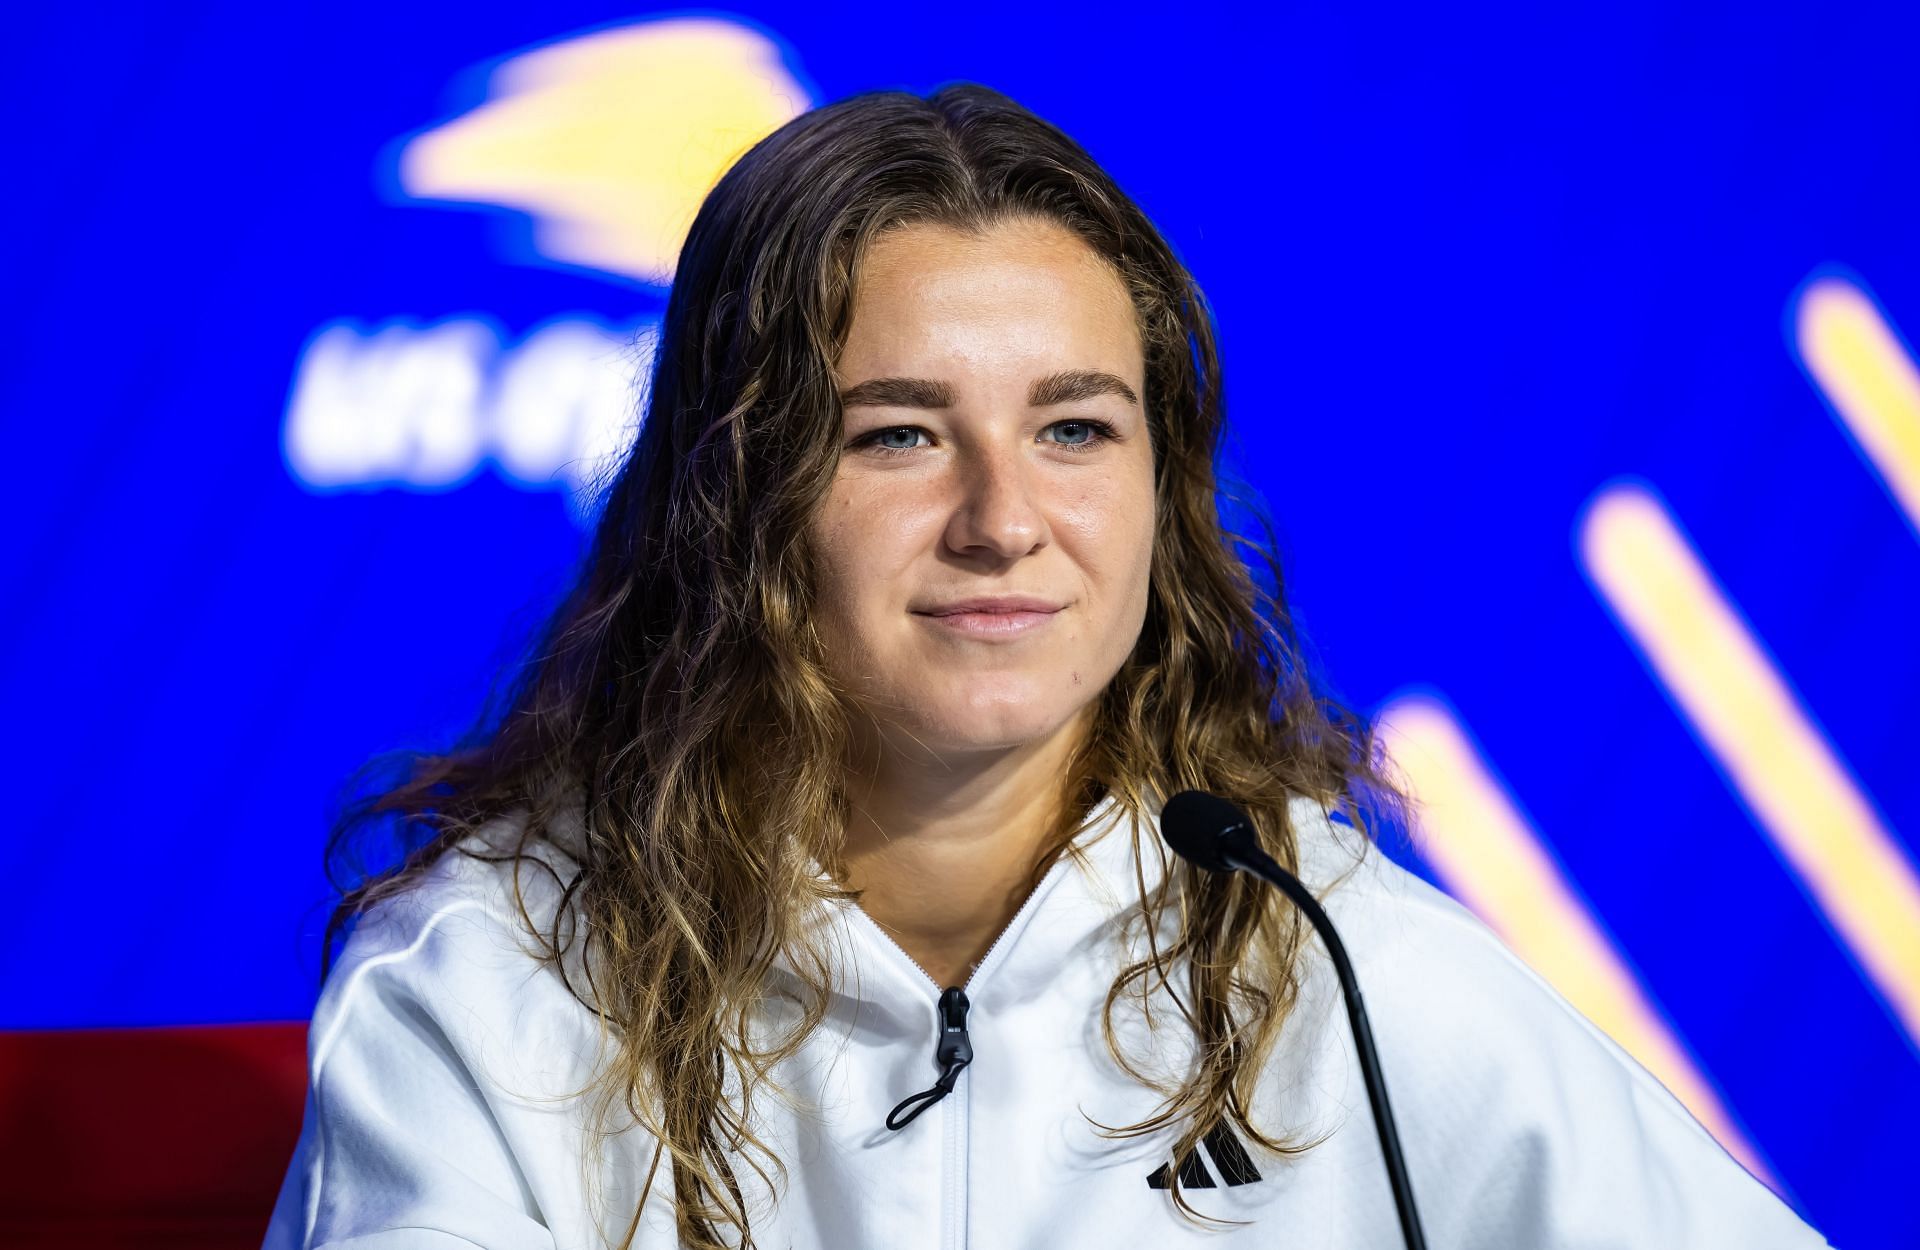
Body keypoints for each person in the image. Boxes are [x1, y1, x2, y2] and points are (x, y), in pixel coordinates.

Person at [262, 83, 1831, 1250]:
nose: (1004, 520)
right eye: (899, 434)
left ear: (1167, 488)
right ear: (735, 498)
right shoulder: (489, 980)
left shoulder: (1327, 952)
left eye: (1075, 426)